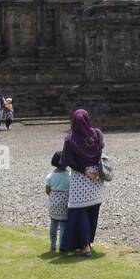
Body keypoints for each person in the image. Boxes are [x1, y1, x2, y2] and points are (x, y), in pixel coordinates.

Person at [58, 109, 104, 257]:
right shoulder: (97, 134)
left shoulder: (70, 139)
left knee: (79, 212)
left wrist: (84, 170)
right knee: (92, 211)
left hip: (80, 177)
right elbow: (100, 151)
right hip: (96, 177)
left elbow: (67, 160)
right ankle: (88, 241)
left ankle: (84, 247)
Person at [44, 152, 69, 253]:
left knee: (53, 224)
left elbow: (47, 190)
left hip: (53, 202)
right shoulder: (69, 175)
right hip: (65, 203)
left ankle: (52, 244)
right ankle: (62, 245)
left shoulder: (50, 176)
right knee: (63, 224)